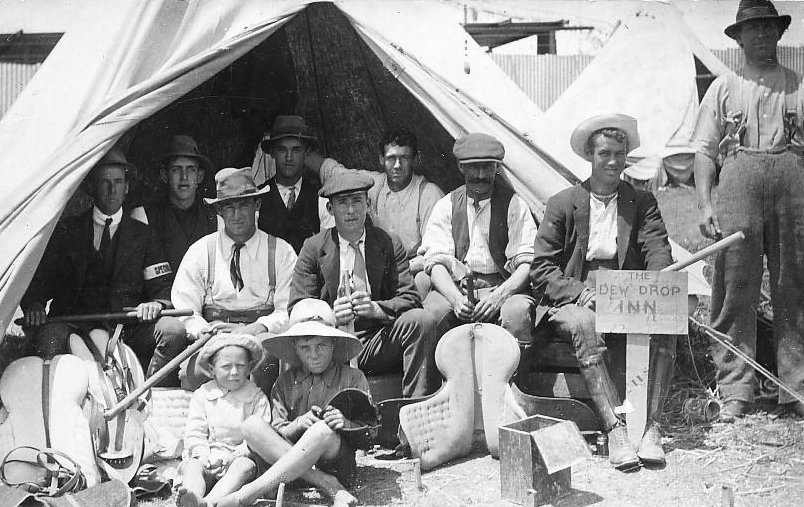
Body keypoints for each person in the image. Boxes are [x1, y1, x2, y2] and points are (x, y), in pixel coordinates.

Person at [529, 114, 676, 470]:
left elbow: (658, 251)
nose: (613, 162)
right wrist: (581, 292)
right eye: (604, 153)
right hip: (573, 296)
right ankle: (615, 429)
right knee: (585, 324)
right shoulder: (563, 202)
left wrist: (650, 289)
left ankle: (651, 427)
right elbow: (542, 269)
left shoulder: (641, 203)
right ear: (590, 157)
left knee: (666, 314)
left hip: (624, 290)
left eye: (619, 153)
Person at [692, 0, 804, 420]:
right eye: (752, 29)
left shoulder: (798, 85)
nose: (761, 36)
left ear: (779, 34)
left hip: (792, 183)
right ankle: (736, 388)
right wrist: (704, 203)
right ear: (738, 38)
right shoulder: (723, 87)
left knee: (794, 284)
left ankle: (795, 387)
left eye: (768, 28)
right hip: (739, 181)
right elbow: (703, 150)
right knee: (734, 286)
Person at [20, 149, 186, 385]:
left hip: (126, 325)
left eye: (118, 182)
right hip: (72, 324)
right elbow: (39, 281)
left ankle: (144, 397)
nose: (112, 190)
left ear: (127, 187)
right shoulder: (67, 232)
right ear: (90, 187)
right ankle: (67, 407)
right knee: (49, 339)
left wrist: (156, 303)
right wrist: (35, 304)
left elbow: (163, 286)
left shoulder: (145, 235)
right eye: (104, 182)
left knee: (173, 331)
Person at [290, 173, 439, 397]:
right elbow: (297, 307)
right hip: (332, 344)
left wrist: (375, 309)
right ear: (330, 209)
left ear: (368, 204)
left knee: (422, 320)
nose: (351, 210)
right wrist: (330, 316)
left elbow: (410, 298)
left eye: (357, 201)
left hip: (375, 340)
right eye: (342, 203)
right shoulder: (314, 248)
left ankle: (414, 410)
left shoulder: (387, 242)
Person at [215, 299, 363, 507]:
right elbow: (277, 430)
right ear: (295, 348)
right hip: (287, 467)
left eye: (321, 345)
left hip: (336, 462)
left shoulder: (353, 377)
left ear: (334, 343)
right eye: (305, 347)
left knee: (322, 431)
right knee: (251, 425)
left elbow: (370, 432)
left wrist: (345, 423)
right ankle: (327, 484)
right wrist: (298, 424)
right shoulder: (285, 381)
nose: (314, 354)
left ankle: (250, 492)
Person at [418, 133, 538, 382]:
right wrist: (455, 298)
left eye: (488, 167)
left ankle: (514, 391)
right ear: (461, 167)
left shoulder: (515, 205)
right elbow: (436, 262)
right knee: (430, 315)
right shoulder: (447, 205)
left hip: (502, 287)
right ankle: (439, 394)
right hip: (458, 288)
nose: (481, 175)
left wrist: (499, 296)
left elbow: (527, 263)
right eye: (474, 167)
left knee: (517, 313)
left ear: (497, 168)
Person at [171, 167, 297, 390]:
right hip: (213, 338)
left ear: (257, 205)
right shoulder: (201, 251)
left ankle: (262, 421)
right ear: (219, 210)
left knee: (266, 363)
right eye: (229, 207)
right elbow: (185, 305)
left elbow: (287, 309)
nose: (237, 215)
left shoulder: (281, 251)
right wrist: (203, 330)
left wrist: (255, 328)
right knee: (191, 374)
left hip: (260, 339)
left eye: (244, 205)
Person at [309, 127, 444, 263]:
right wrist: (302, 153)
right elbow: (338, 173)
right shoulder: (376, 184)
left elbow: (434, 252)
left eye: (405, 158)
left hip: (416, 266)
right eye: (391, 158)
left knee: (422, 282)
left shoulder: (429, 194)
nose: (397, 165)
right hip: (384, 264)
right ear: (381, 159)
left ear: (416, 159)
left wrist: (402, 269)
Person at [177, 333, 270, 507]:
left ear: (249, 367)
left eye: (240, 366)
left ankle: (208, 503)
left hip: (235, 459)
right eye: (226, 366)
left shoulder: (257, 397)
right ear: (212, 369)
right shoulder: (203, 395)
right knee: (192, 467)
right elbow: (195, 432)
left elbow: (259, 439)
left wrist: (234, 455)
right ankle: (193, 496)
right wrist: (203, 456)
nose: (234, 372)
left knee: (245, 466)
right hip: (207, 456)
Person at [131, 135, 219, 273]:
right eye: (176, 169)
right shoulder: (144, 217)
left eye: (191, 169)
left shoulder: (215, 217)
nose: (184, 177)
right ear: (164, 175)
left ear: (200, 176)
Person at [257, 115, 333, 253]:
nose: (289, 157)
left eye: (296, 150)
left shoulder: (321, 200)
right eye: (282, 150)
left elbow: (328, 253)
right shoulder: (257, 199)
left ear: (306, 153)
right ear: (273, 152)